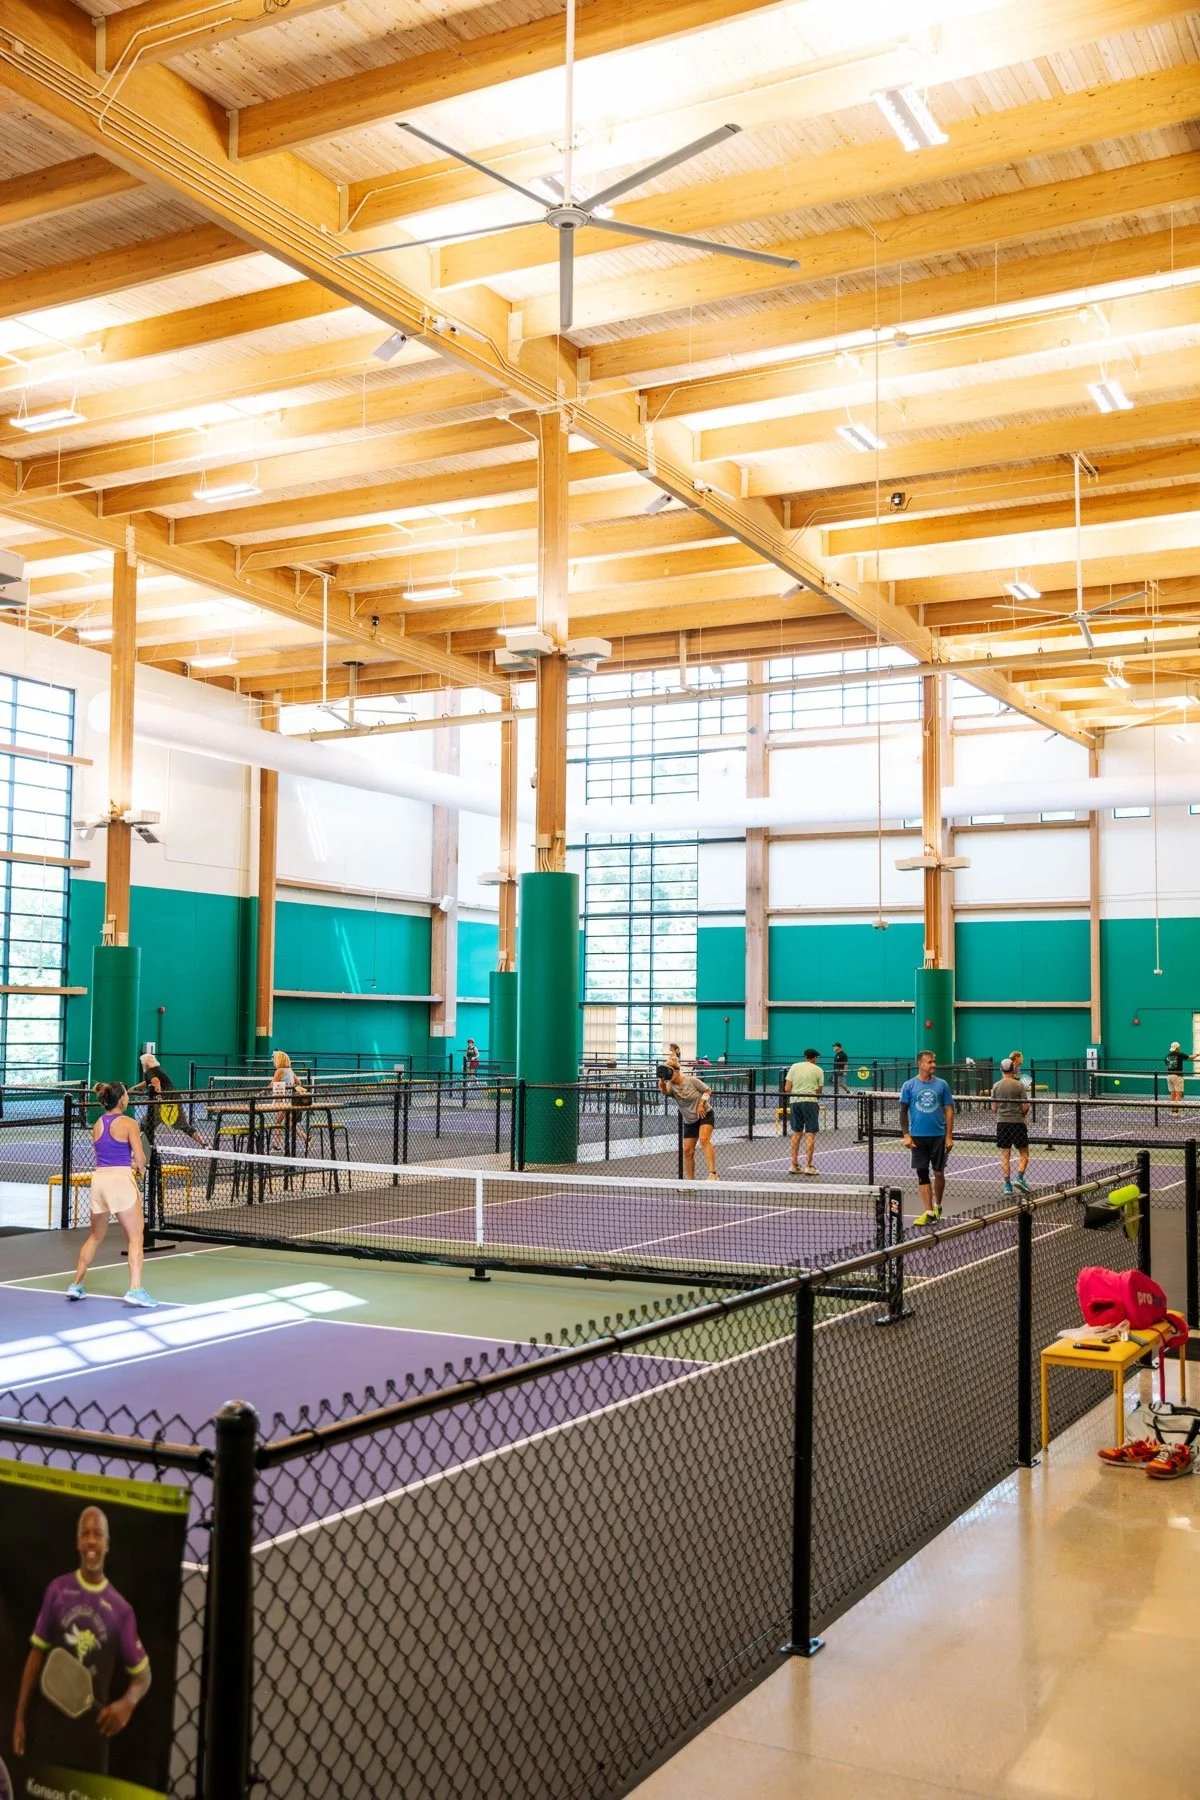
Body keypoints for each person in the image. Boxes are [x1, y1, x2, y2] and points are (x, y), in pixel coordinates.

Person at [13, 1504, 152, 1774]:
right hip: (49, 1734)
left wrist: (128, 1703)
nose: (91, 1540)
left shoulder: (121, 1611)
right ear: (78, 1542)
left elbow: (144, 1676)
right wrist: (19, 1718)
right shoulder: (58, 1590)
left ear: (107, 1543)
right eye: (85, 1533)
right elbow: (36, 1654)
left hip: (91, 1744)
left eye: (97, 1534)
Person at [67, 1083, 157, 1309]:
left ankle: (76, 1284)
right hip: (120, 1180)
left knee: (95, 1237)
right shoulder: (129, 1123)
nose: (128, 1097)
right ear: (121, 1100)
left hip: (99, 1181)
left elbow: (107, 1153)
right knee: (136, 1238)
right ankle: (136, 1289)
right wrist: (141, 1166)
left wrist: (134, 1165)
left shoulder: (97, 1124)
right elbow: (140, 1157)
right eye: (126, 1094)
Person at [899, 1049, 954, 1226]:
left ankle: (938, 1205)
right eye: (930, 1062)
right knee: (922, 1173)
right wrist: (906, 1135)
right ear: (920, 1064)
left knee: (938, 1173)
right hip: (917, 1138)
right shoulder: (909, 1086)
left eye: (934, 1062)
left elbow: (949, 1110)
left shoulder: (942, 1085)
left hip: (938, 1136)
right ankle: (928, 1211)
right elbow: (902, 1111)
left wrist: (949, 1136)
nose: (933, 1065)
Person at [657, 1062, 716, 1181]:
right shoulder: (670, 1086)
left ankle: (713, 1173)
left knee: (704, 1140)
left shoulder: (691, 1081)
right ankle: (690, 1183)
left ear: (677, 1071)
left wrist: (701, 1104)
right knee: (688, 1151)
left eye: (669, 1072)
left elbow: (708, 1090)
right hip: (689, 1120)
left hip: (704, 1114)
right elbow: (664, 1091)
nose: (669, 1076)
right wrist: (662, 1083)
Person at [131, 1052, 203, 1147]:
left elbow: (156, 1082)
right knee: (185, 1126)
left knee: (146, 1124)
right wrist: (136, 1088)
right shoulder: (157, 1070)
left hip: (163, 1102)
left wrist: (159, 1096)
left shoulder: (149, 1071)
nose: (141, 1065)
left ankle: (143, 1148)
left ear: (146, 1063)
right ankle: (204, 1144)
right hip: (175, 1100)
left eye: (142, 1063)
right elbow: (150, 1081)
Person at [991, 1056, 1031, 1196]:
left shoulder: (996, 1086)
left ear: (1001, 1069)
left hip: (1002, 1123)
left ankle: (1007, 1185)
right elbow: (1025, 1106)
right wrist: (1022, 1114)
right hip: (1017, 1123)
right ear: (1012, 1069)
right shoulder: (1019, 1085)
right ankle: (1019, 1177)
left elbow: (994, 1108)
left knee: (1005, 1154)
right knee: (1024, 1153)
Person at [784, 1048, 823, 1176]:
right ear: (814, 1058)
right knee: (810, 1133)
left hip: (795, 1102)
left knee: (796, 1133)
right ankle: (808, 1166)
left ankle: (794, 1164)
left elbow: (787, 1088)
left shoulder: (794, 1067)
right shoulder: (818, 1070)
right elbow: (819, 1092)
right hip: (811, 1102)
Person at [1165, 1041, 1197, 1115]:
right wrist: (1197, 1054)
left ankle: (1172, 1111)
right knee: (1178, 1094)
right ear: (1177, 1048)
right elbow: (1191, 1057)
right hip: (1177, 1076)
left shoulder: (1167, 1056)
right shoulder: (1180, 1055)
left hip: (1169, 1076)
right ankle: (1176, 1112)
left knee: (1172, 1094)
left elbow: (1168, 1065)